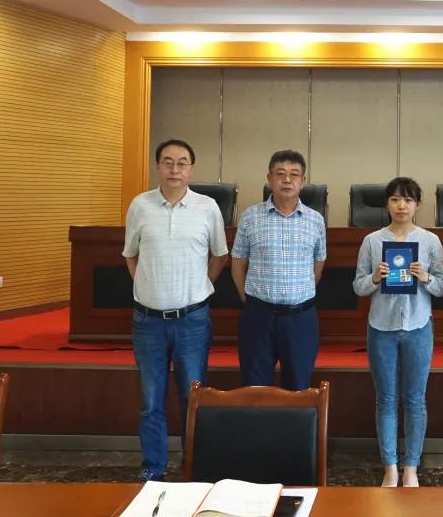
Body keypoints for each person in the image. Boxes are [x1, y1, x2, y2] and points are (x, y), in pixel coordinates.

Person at [122, 139, 228, 482]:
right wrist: (147, 285)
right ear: (158, 167)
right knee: (151, 400)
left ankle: (193, 465)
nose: (174, 169)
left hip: (192, 320)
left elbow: (220, 255)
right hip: (148, 321)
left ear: (191, 169)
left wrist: (201, 285)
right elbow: (130, 255)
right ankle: (153, 467)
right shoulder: (140, 205)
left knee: (192, 397)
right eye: (167, 162)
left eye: (182, 162)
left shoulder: (207, 207)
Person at [352, 177, 443, 488]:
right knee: (386, 399)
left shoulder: (430, 241)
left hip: (419, 326)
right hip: (382, 327)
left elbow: (442, 288)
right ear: (387, 205)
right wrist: (375, 278)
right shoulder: (372, 241)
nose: (401, 205)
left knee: (416, 399)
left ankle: (411, 468)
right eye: (395, 199)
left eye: (407, 200)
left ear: (417, 205)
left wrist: (425, 277)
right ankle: (390, 466)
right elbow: (358, 286)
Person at [231, 149, 326, 390]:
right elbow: (238, 263)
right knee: (254, 389)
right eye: (280, 173)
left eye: (294, 174)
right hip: (258, 317)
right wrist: (250, 301)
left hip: (300, 318)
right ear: (269, 178)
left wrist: (298, 295)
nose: (287, 180)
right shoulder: (250, 217)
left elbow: (318, 264)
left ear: (303, 181)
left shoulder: (315, 220)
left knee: (299, 388)